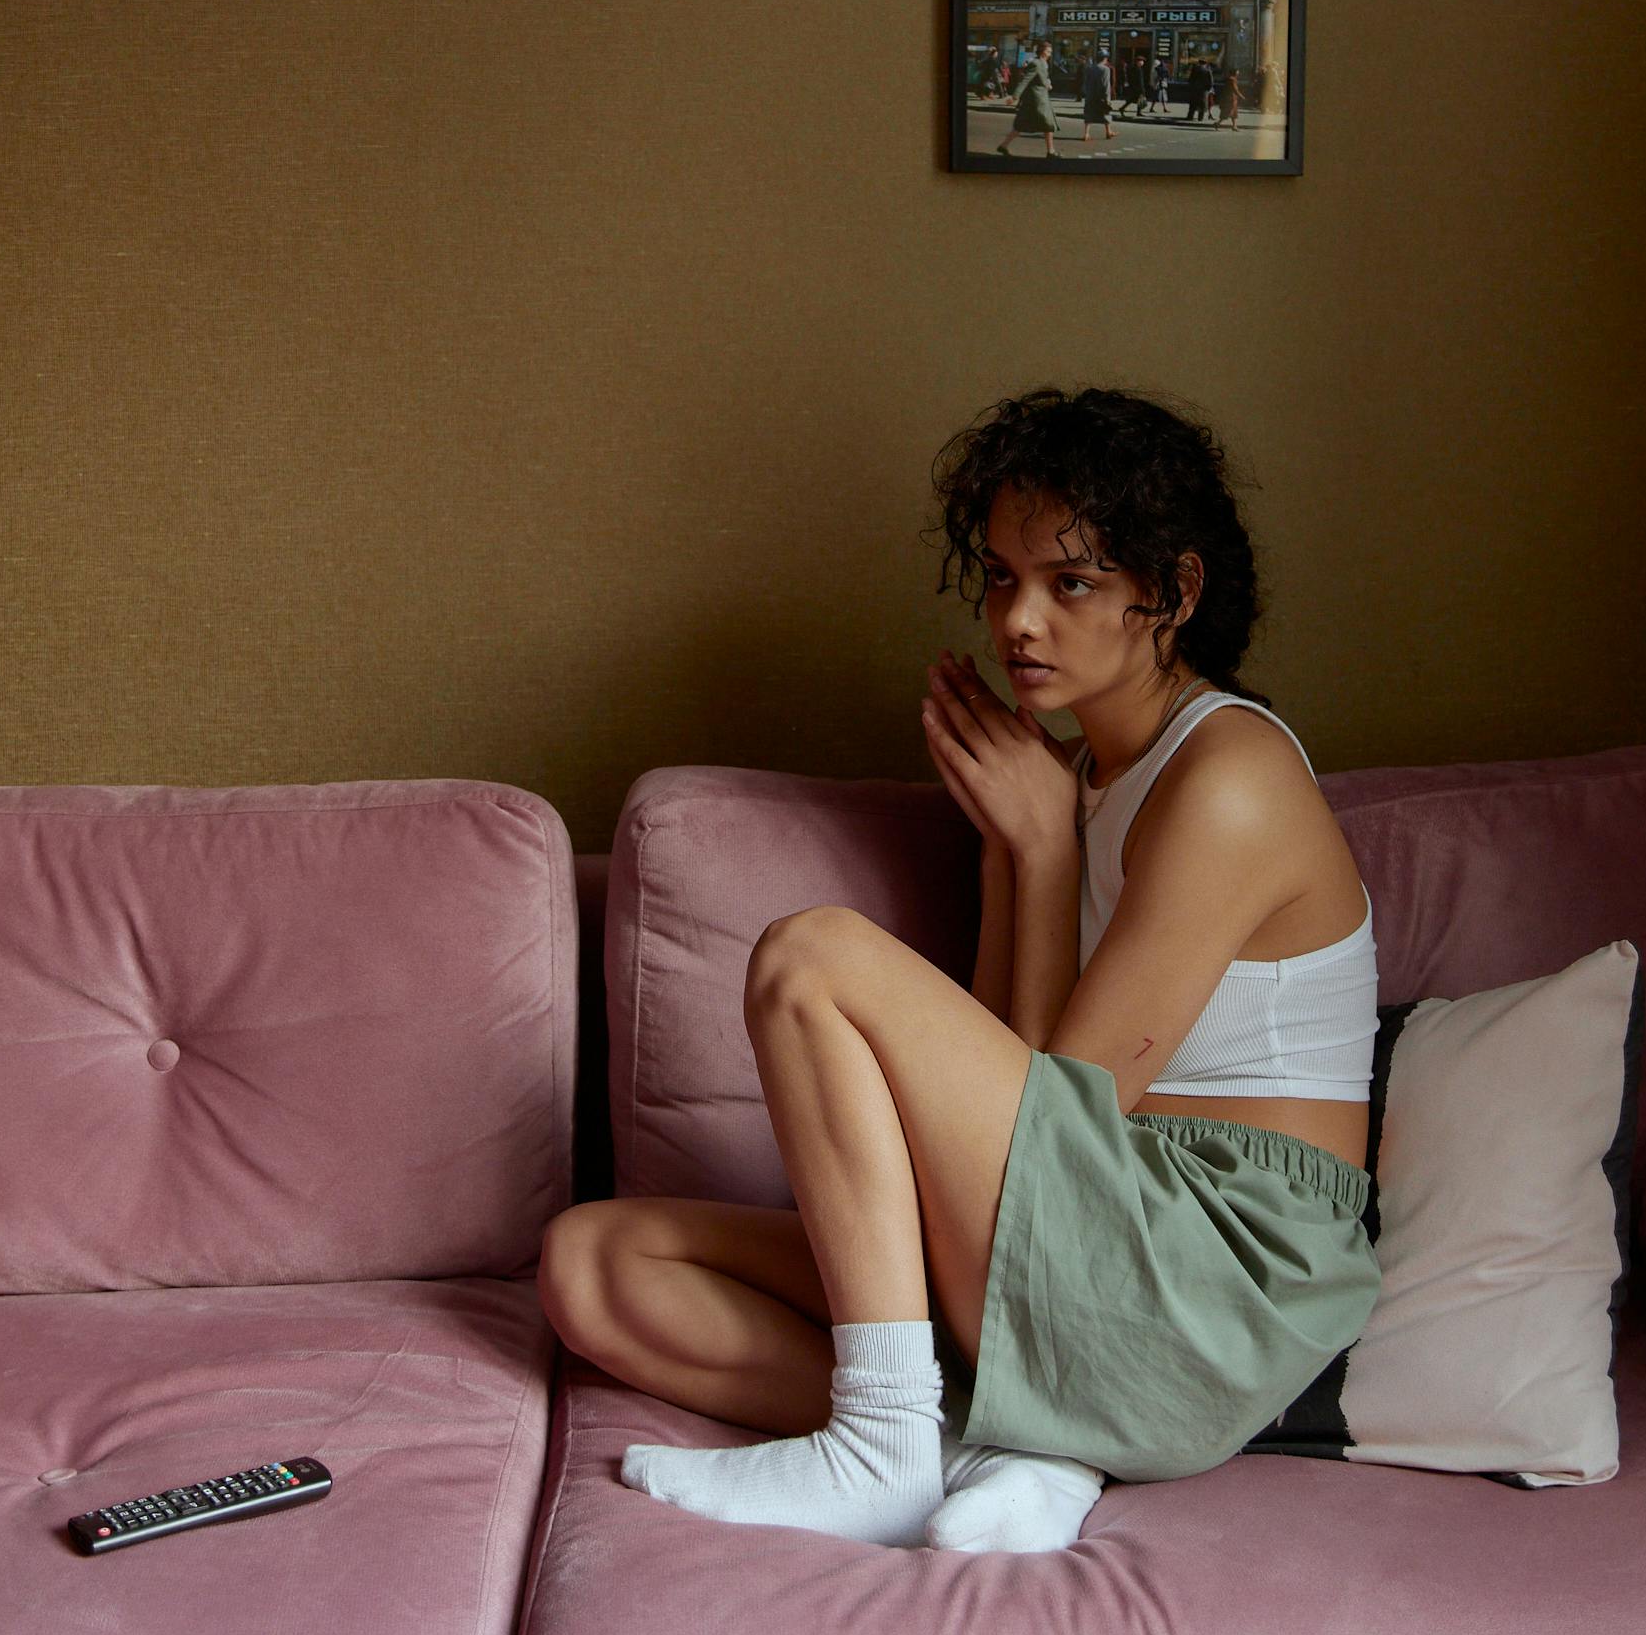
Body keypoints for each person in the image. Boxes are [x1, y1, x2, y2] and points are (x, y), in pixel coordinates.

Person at [538, 386, 1381, 1555]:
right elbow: (996, 1101)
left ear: (1174, 594)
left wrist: (1035, 852)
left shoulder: (1226, 778)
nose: (1017, 622)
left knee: (811, 956)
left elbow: (1064, 1106)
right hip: (1081, 1242)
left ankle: (878, 1439)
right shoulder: (1079, 775)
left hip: (1209, 1287)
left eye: (1068, 581)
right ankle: (988, 1456)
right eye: (997, 576)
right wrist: (1026, 840)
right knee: (595, 1262)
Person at [993, 47, 1057, 158]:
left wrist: (1047, 84)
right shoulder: (1036, 63)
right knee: (1048, 124)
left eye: (1050, 51)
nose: (1050, 54)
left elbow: (1041, 78)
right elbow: (1025, 80)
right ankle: (1050, 152)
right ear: (1042, 51)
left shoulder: (1043, 63)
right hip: (1036, 100)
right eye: (1048, 51)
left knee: (1022, 124)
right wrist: (1014, 97)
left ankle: (1003, 146)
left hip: (1039, 98)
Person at [1079, 48, 1112, 149]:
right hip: (1101, 95)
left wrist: (1084, 92)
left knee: (1088, 113)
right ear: (1105, 59)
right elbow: (1106, 84)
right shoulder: (1105, 69)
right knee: (1105, 112)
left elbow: (1085, 81)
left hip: (1090, 94)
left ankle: (1086, 134)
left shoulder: (1090, 68)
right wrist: (1107, 97)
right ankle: (1108, 132)